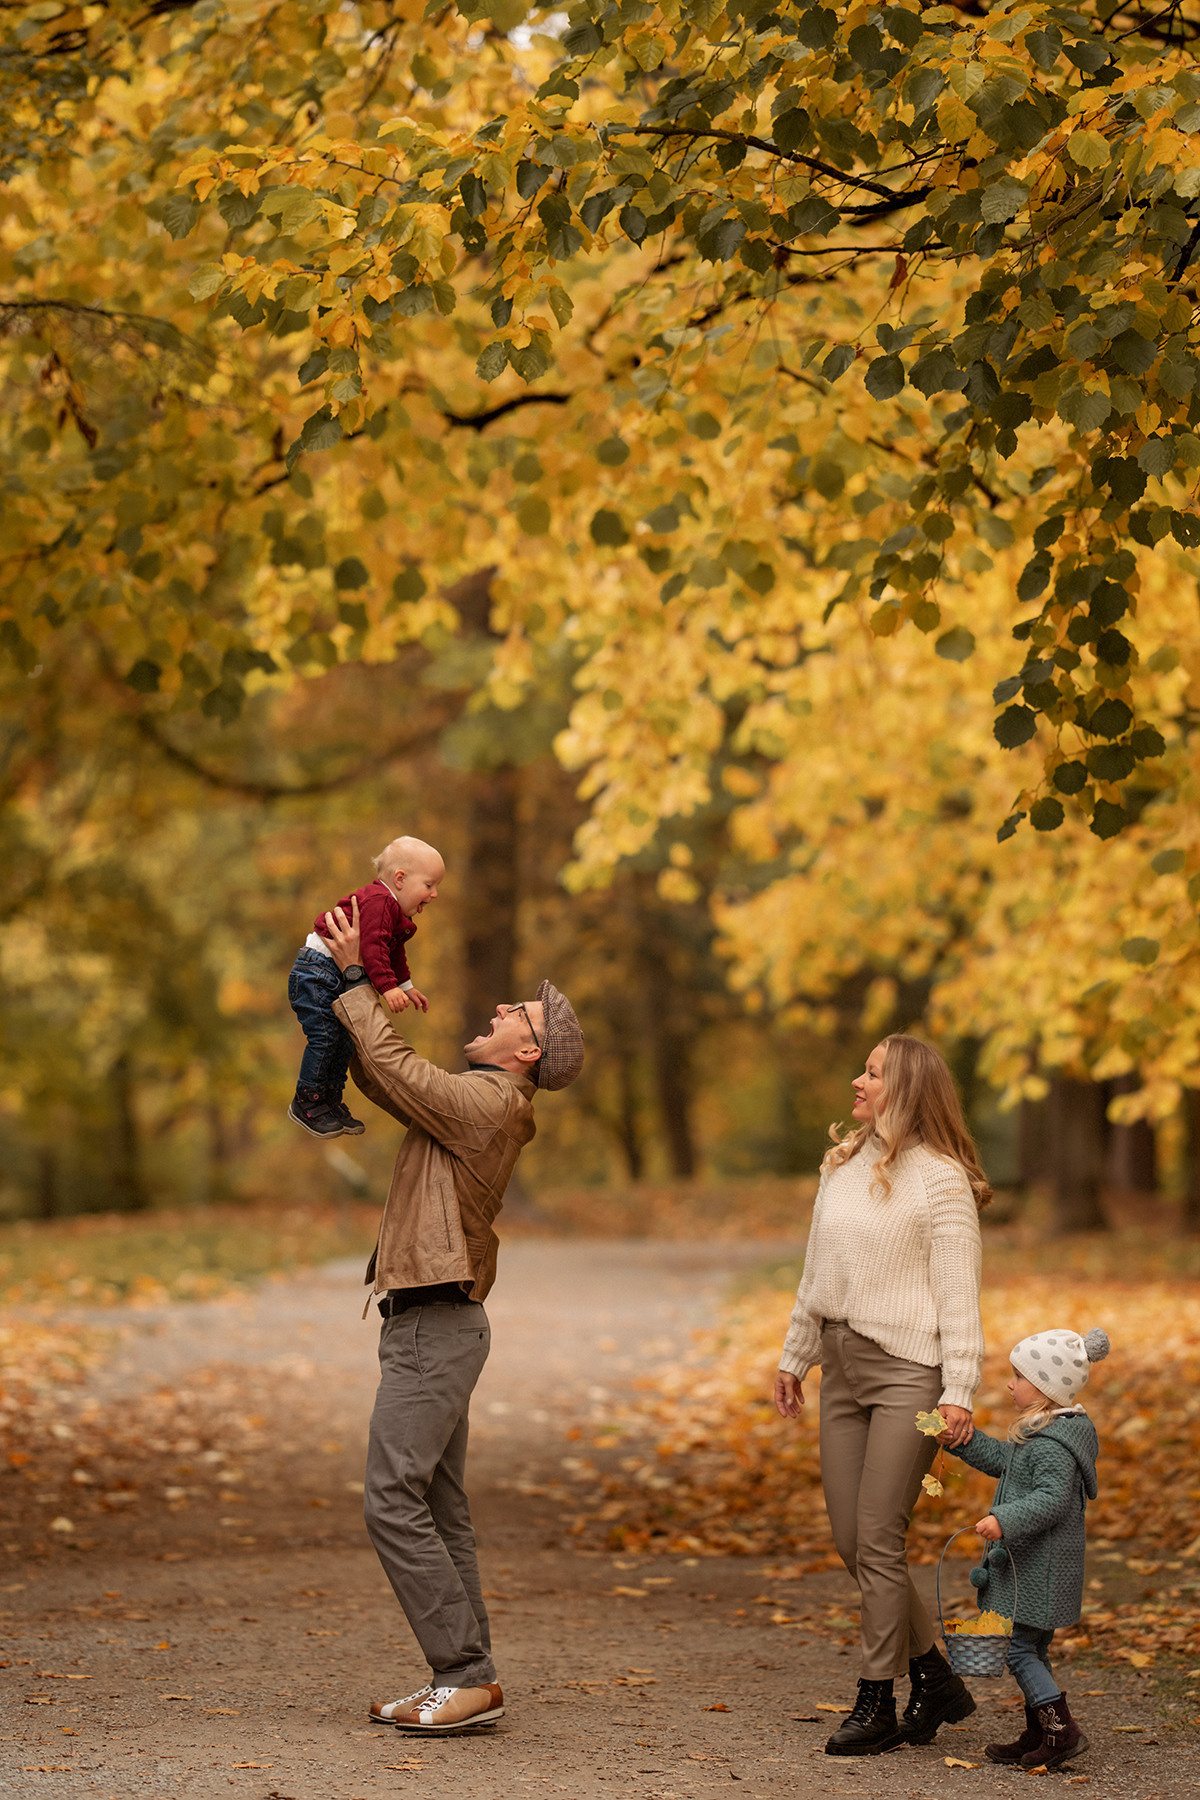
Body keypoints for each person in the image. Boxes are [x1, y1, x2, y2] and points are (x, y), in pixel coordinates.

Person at [320, 894, 584, 1736]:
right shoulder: (475, 1101)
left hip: (437, 1324)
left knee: (389, 1498)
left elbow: (397, 1069)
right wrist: (339, 994)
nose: (502, 1008)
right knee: (437, 1505)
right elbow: (386, 1076)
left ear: (528, 1050)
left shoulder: (488, 1104)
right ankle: (467, 1676)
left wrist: (359, 976)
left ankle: (463, 1675)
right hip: (432, 1321)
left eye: (519, 1012)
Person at [774, 1034, 988, 1756]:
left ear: (906, 1089)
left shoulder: (941, 1181)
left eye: (871, 1072)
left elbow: (959, 1297)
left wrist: (959, 1388)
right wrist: (795, 1355)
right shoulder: (841, 1167)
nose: (857, 1081)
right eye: (862, 1067)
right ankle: (938, 1676)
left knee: (878, 1538)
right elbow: (815, 1275)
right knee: (852, 1541)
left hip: (914, 1378)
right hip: (842, 1370)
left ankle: (878, 1699)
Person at [943, 1325, 1108, 1771]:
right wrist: (964, 1442)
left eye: (1018, 1377)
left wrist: (1005, 1519)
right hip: (1033, 1569)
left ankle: (1062, 1732)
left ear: (1045, 1388)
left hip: (1042, 1570)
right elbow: (1004, 1462)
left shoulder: (1054, 1445)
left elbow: (1051, 1499)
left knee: (1017, 1649)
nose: (1010, 1384)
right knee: (1032, 1650)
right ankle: (1040, 1731)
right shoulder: (1043, 1431)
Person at [287, 835, 444, 1140]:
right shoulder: (379, 902)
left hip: (333, 973)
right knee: (325, 1037)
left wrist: (406, 985)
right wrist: (388, 989)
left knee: (346, 1041)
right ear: (400, 879)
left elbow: (392, 950)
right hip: (317, 971)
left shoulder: (394, 913)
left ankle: (330, 1101)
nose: (435, 894)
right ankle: (308, 1100)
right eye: (429, 885)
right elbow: (372, 948)